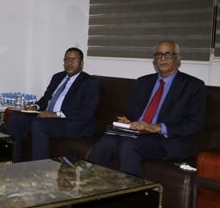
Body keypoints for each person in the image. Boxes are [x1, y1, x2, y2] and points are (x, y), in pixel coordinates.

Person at [88, 40, 206, 176]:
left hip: (168, 141)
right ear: (154, 59)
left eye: (168, 54)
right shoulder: (143, 82)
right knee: (108, 139)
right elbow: (131, 113)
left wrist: (157, 127)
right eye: (158, 54)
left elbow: (194, 124)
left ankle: (132, 188)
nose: (162, 59)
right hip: (137, 133)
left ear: (178, 58)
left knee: (128, 144)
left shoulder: (193, 86)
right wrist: (127, 121)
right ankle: (87, 183)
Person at [7, 47, 100, 162]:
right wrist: (35, 106)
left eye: (74, 60)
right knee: (16, 118)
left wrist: (56, 114)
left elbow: (86, 111)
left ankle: (39, 168)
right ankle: (14, 162)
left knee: (39, 124)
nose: (70, 63)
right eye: (67, 59)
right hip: (48, 118)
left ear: (81, 63)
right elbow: (46, 99)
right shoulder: (58, 77)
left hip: (71, 123)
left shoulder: (89, 82)